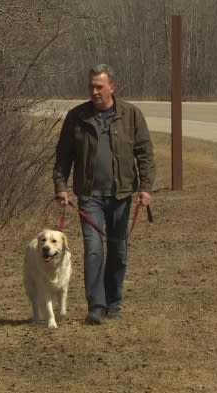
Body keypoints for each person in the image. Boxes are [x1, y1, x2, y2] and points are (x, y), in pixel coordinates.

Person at [53, 64, 155, 325]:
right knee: (94, 251)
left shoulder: (131, 115)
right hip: (89, 197)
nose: (94, 91)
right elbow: (63, 156)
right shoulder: (77, 117)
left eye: (99, 86)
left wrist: (145, 187)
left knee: (118, 252)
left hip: (121, 195)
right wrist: (61, 187)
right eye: (91, 87)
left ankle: (114, 303)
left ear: (112, 87)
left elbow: (145, 154)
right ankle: (96, 306)